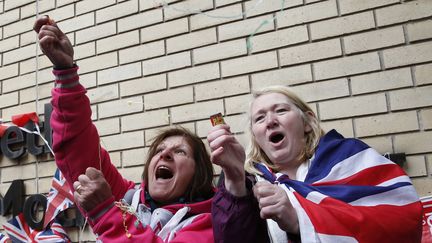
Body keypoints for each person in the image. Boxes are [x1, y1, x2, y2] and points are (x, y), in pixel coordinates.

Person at [34, 16, 215, 242]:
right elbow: (78, 149)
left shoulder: (210, 224)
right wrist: (65, 71)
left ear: (200, 173)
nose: (165, 154)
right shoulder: (125, 198)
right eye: (159, 150)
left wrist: (105, 213)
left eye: (180, 152)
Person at [207, 86, 423, 242]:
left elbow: (400, 224)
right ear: (256, 135)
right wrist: (234, 179)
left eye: (281, 110)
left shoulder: (349, 157)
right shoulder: (246, 184)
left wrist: (298, 219)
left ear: (307, 122)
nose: (271, 121)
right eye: (260, 118)